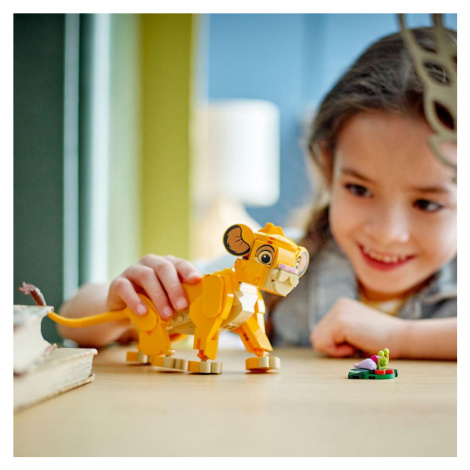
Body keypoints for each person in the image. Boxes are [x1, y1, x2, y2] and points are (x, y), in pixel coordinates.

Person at [58, 27, 457, 360]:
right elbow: (73, 318)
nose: (387, 232)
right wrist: (121, 305)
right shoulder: (278, 263)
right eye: (359, 189)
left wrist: (401, 338)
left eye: (427, 203)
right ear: (327, 164)